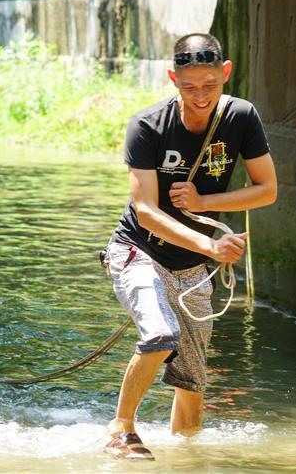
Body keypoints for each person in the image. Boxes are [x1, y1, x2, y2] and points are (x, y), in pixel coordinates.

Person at [102, 33, 277, 460]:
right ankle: (120, 430)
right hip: (137, 251)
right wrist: (210, 242)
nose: (200, 96)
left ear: (226, 73)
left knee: (192, 379)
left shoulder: (241, 117)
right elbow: (144, 209)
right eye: (189, 86)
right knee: (161, 335)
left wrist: (205, 204)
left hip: (192, 265)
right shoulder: (147, 126)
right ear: (172, 79)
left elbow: (267, 189)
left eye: (210, 85)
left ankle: (187, 457)